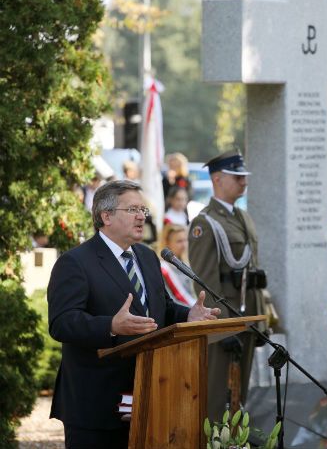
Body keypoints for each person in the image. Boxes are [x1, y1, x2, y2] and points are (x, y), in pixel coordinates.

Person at [48, 180, 220, 449]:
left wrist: (188, 316)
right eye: (132, 210)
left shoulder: (147, 256)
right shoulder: (75, 262)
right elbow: (62, 323)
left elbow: (161, 308)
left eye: (143, 210)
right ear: (106, 216)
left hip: (150, 393)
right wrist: (111, 326)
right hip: (96, 403)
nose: (142, 216)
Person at [188, 149, 267, 421]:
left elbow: (251, 271)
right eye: (237, 176)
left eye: (244, 176)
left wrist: (259, 322)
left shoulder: (242, 217)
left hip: (247, 319)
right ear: (218, 179)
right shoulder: (204, 222)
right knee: (217, 399)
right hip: (225, 322)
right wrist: (220, 329)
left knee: (239, 398)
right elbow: (204, 282)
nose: (244, 182)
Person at [159, 223, 196, 306]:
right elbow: (171, 300)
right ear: (167, 243)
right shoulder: (163, 268)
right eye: (179, 241)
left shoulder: (186, 263)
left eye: (185, 240)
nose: (184, 245)